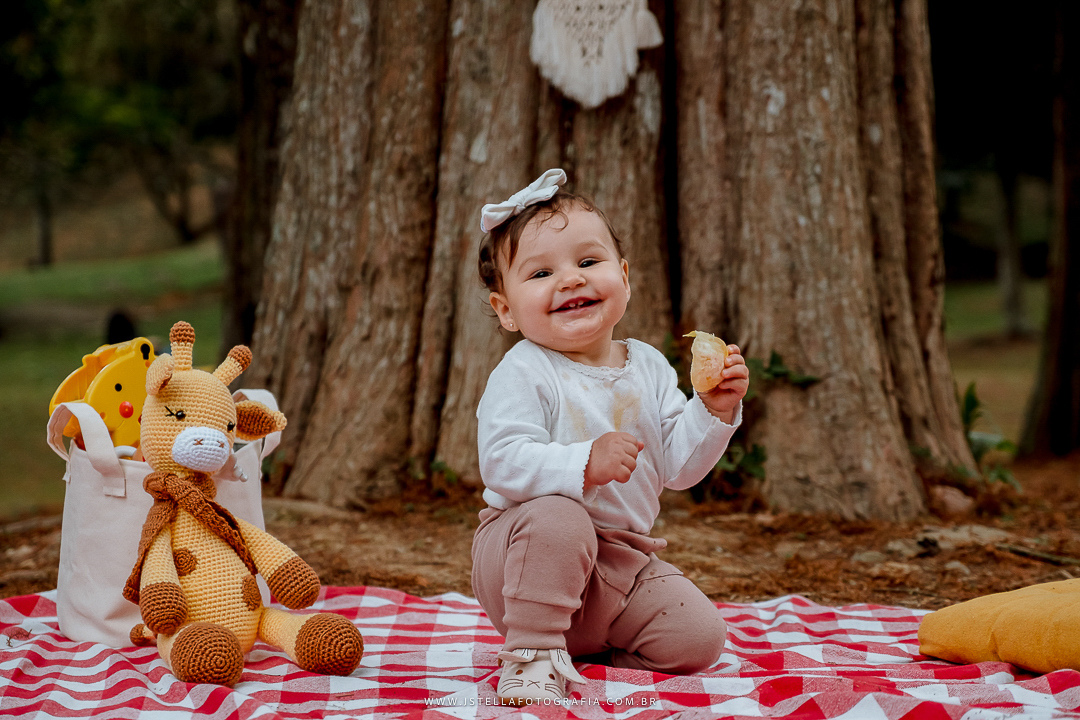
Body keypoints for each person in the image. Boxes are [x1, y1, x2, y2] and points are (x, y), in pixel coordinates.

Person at [471, 169, 750, 706]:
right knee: (561, 516)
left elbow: (677, 470)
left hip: (617, 566)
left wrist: (712, 411)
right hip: (524, 557)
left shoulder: (648, 365)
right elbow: (502, 461)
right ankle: (531, 652)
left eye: (587, 262)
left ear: (623, 276)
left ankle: (588, 652)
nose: (570, 280)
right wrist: (583, 462)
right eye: (541, 273)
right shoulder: (525, 370)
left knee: (699, 638)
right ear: (506, 310)